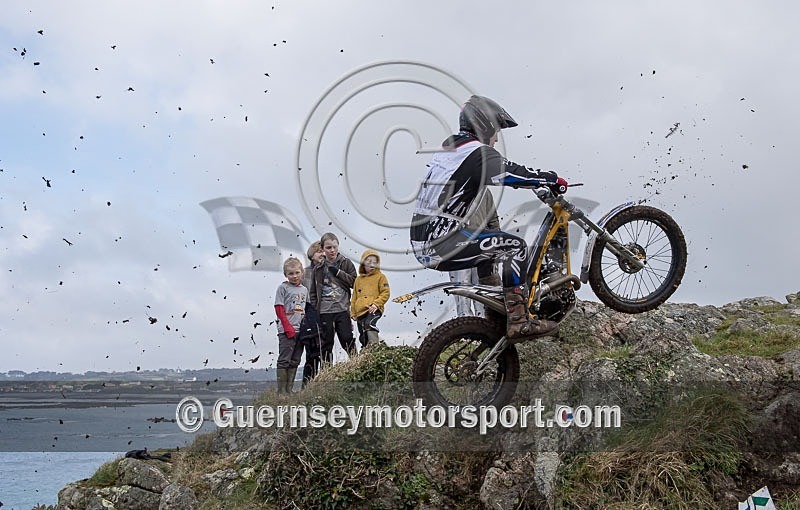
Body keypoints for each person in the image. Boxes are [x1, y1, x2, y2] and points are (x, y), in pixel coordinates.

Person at [410, 95, 564, 340]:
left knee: (489, 243)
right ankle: (518, 321)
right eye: (496, 130)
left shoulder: (451, 150)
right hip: (442, 242)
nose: (496, 138)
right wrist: (552, 178)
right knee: (515, 247)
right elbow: (512, 173)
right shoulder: (475, 152)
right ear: (484, 125)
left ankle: (495, 313)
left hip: (425, 241)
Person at [448, 189, 500, 317]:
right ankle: (464, 324)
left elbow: (493, 219)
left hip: (482, 246)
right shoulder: (451, 190)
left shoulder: (484, 192)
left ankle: (483, 321)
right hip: (457, 247)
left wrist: (497, 244)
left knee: (483, 289)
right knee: (462, 289)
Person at [310, 232, 357, 361]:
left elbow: (355, 283)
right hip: (325, 310)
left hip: (342, 308)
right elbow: (313, 292)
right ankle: (327, 369)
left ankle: (356, 363)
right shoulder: (318, 269)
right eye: (329, 247)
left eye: (335, 247)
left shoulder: (346, 263)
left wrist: (338, 273)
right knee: (326, 343)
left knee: (347, 338)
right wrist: (316, 309)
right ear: (323, 249)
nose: (332, 250)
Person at [273, 257, 307, 393]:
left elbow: (306, 308)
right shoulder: (283, 288)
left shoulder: (304, 290)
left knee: (295, 360)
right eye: (291, 273)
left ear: (302, 272)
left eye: (297, 273)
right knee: (284, 360)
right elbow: (278, 308)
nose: (294, 276)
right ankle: (281, 392)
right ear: (285, 274)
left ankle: (289, 390)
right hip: (286, 330)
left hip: (300, 330)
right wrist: (287, 327)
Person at [350, 249, 390, 348]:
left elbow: (386, 292)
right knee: (362, 332)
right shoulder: (358, 280)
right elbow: (354, 297)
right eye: (369, 262)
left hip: (373, 309)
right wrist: (353, 312)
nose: (372, 265)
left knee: (369, 324)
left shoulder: (381, 277)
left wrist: (376, 304)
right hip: (360, 311)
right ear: (363, 264)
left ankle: (374, 347)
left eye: (375, 262)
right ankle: (366, 349)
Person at [299, 242, 324, 386]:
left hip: (327, 314)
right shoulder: (305, 273)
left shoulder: (329, 271)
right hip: (310, 316)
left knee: (325, 350)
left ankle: (326, 382)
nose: (323, 254)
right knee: (312, 353)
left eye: (323, 251)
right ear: (312, 254)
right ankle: (307, 385)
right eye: (319, 251)